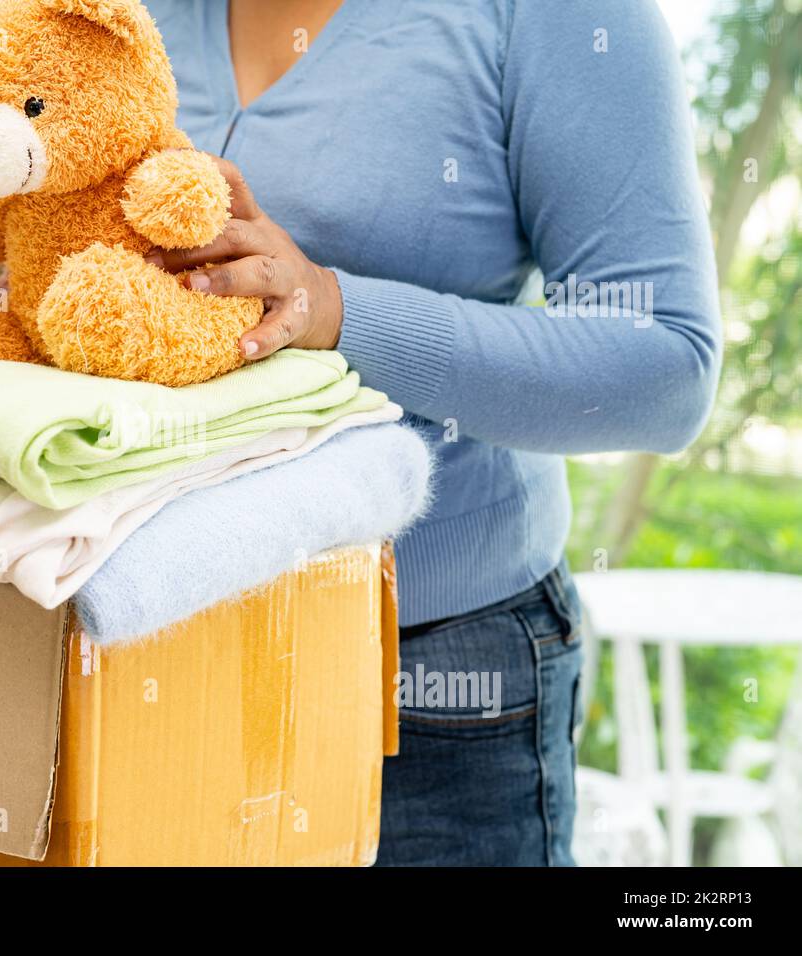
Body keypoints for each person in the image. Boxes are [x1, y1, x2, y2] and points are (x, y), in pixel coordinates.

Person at [142, 0, 722, 865]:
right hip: (142, 649)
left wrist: (337, 309)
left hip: (434, 680)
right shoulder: (126, 15)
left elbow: (665, 365)